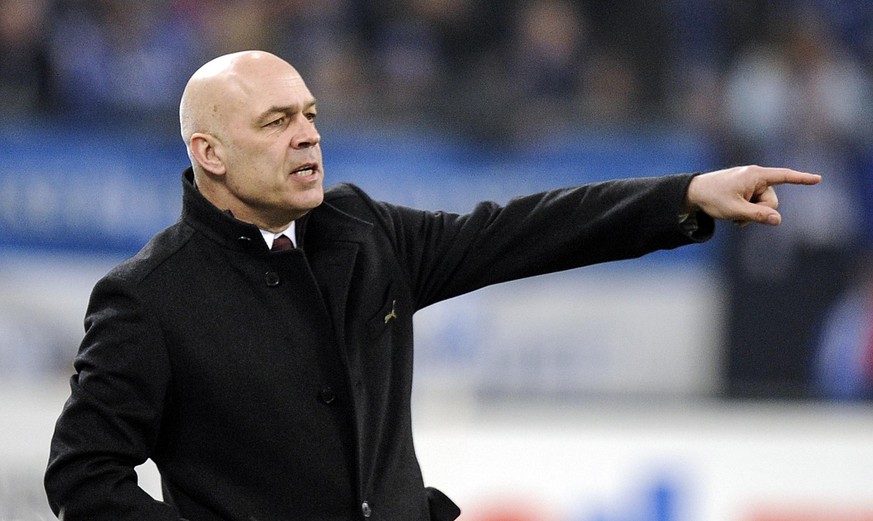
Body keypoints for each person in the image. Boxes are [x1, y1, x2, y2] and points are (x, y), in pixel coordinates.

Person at [44, 50, 821, 521]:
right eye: (277, 120)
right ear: (209, 153)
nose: (309, 133)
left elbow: (522, 229)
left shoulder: (363, 232)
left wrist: (680, 197)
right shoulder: (148, 296)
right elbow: (85, 473)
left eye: (310, 113)